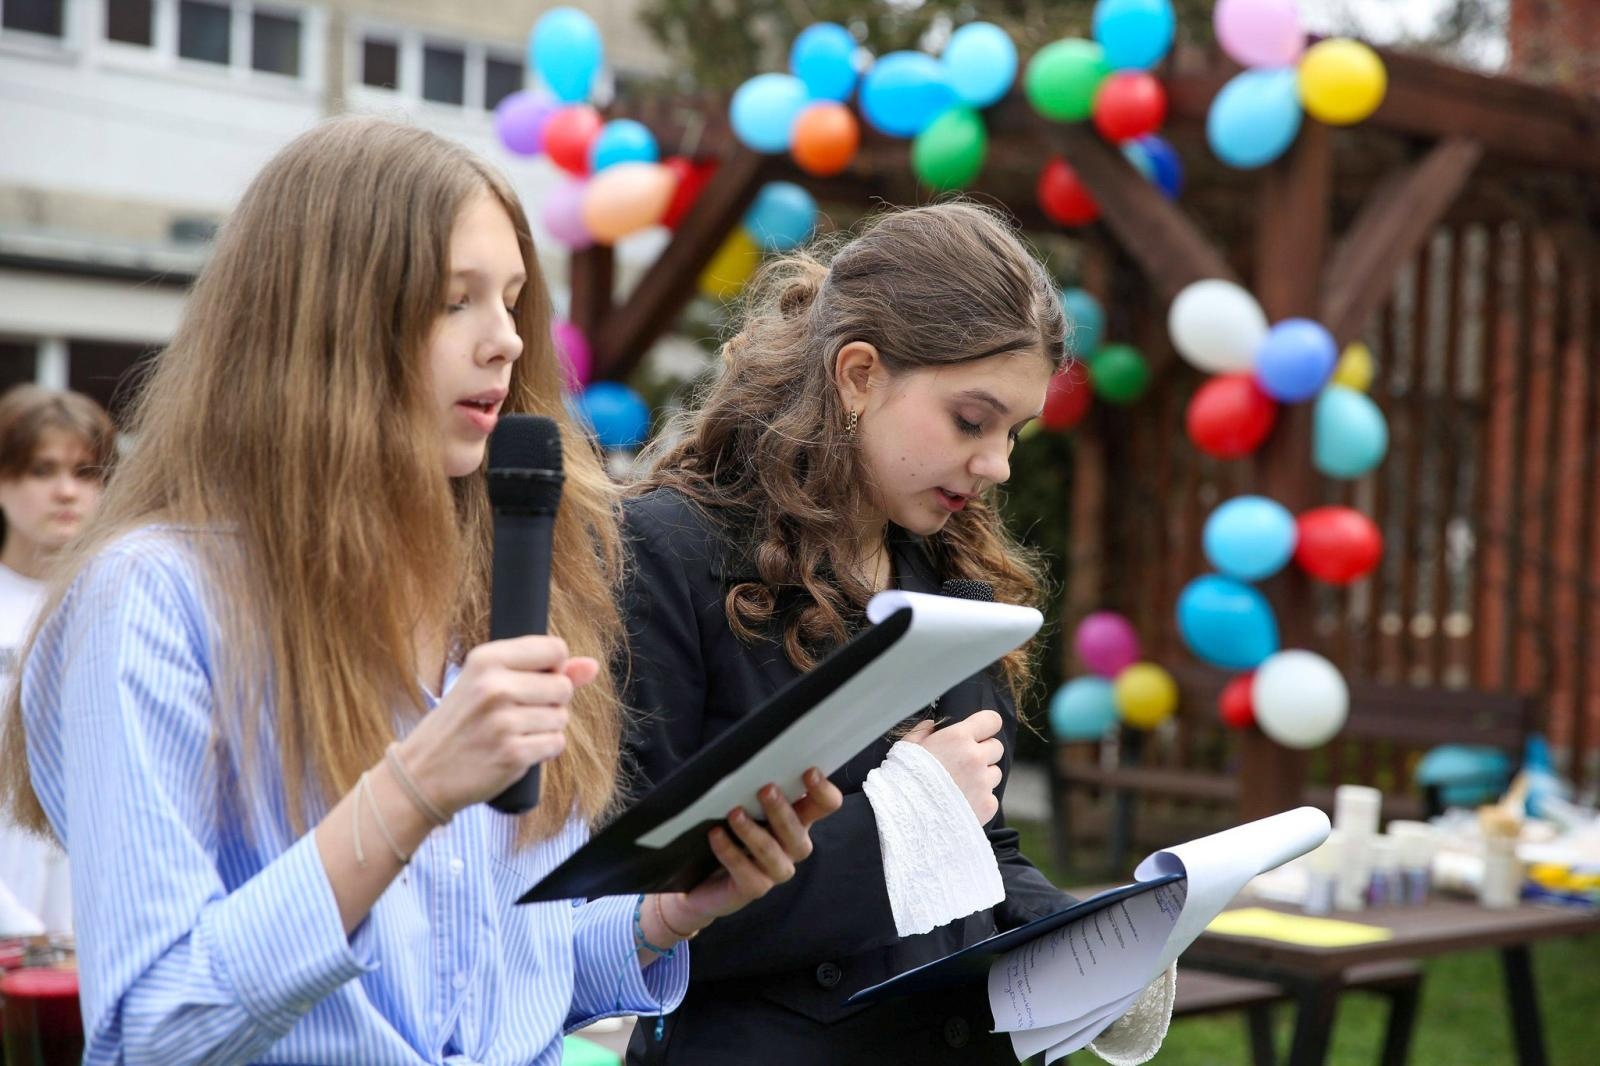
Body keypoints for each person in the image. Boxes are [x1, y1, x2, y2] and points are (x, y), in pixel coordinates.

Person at [0, 116, 839, 1066]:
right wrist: (411, 791)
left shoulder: (476, 581)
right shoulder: (155, 597)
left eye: (514, 300)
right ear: (326, 327)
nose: (507, 342)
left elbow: (486, 977)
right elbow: (157, 1023)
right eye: (455, 301)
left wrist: (666, 914)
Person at [619, 203, 1171, 1064]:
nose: (999, 466)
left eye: (1014, 432)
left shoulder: (947, 573)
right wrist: (906, 816)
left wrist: (1097, 935)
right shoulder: (672, 552)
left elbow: (976, 842)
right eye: (971, 420)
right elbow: (640, 914)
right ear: (859, 374)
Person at [0, 384, 115, 936]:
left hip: (92, 932)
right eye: (42, 470)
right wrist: (16, 926)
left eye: (86, 472)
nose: (66, 492)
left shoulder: (119, 603)